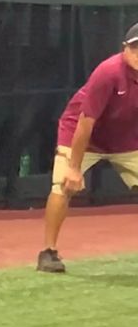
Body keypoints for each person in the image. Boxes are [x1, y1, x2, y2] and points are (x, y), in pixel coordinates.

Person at [38, 24, 138, 273]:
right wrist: (73, 168)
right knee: (62, 185)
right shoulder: (109, 72)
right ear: (125, 48)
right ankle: (48, 252)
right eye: (136, 48)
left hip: (123, 139)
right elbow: (86, 122)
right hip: (80, 134)